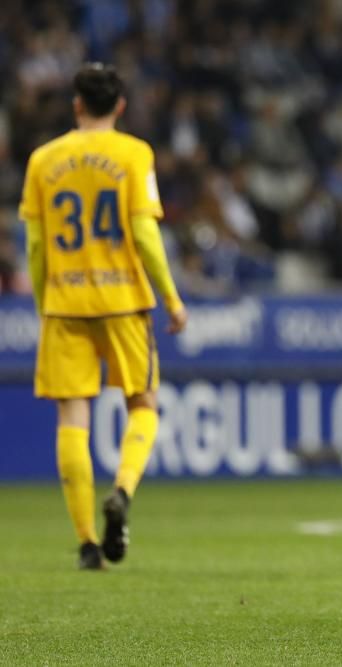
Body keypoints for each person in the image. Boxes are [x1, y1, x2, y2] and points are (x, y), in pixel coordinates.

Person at [19, 63, 187, 570]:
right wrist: (172, 300)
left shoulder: (43, 160)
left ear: (75, 104)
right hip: (124, 303)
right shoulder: (134, 153)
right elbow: (144, 234)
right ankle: (122, 490)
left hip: (64, 304)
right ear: (120, 106)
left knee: (73, 417)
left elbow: (33, 243)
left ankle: (88, 543)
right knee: (143, 404)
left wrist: (43, 301)